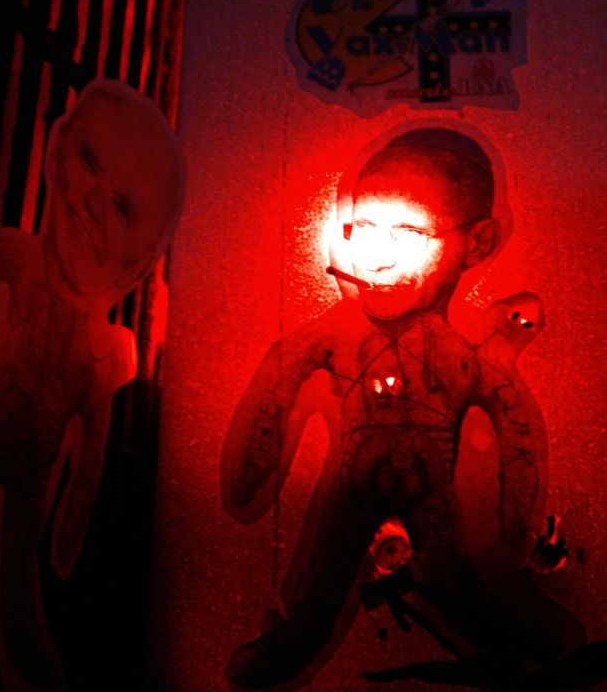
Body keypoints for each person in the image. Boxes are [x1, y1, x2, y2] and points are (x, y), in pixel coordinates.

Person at [221, 126, 585, 691]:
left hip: (429, 492)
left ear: (477, 244)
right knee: (322, 582)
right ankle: (289, 652)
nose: (379, 257)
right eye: (364, 229)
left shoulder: (461, 354)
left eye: (410, 232)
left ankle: (524, 652)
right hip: (352, 486)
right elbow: (283, 371)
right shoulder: (338, 335)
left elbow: (511, 423)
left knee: (454, 582)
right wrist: (253, 465)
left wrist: (518, 524)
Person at [0, 80, 184, 691]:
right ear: (58, 150)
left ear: (141, 260)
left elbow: (90, 459)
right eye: (89, 160)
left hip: (32, 465)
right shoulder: (12, 255)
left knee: (19, 597)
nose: (92, 200)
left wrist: (73, 531)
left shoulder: (103, 353)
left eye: (124, 208)